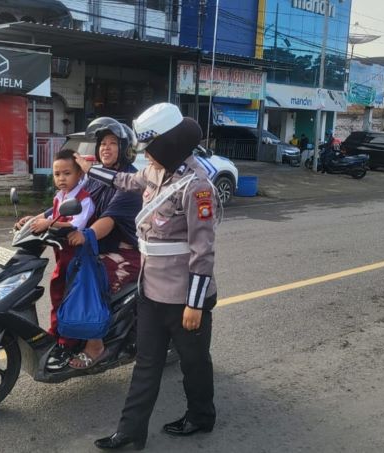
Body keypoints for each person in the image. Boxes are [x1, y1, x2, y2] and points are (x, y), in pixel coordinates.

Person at [75, 103, 218, 450]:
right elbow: (126, 180)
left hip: (185, 298)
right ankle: (130, 433)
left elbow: (203, 251)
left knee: (194, 361)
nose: (146, 157)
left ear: (166, 145)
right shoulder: (155, 171)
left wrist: (195, 305)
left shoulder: (197, 187)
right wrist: (90, 170)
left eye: (150, 149)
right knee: (146, 363)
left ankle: (202, 415)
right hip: (151, 289)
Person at [65, 117, 143, 369]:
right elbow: (71, 201)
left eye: (112, 143)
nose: (105, 148)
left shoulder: (129, 182)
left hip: (125, 254)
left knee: (89, 275)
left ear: (125, 148)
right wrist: (39, 220)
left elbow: (108, 221)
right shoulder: (97, 177)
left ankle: (95, 345)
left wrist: (85, 235)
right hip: (99, 247)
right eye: (102, 143)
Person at [18, 148, 96, 370]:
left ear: (79, 174)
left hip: (79, 259)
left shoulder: (83, 199)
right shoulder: (60, 197)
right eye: (57, 174)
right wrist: (30, 221)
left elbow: (75, 225)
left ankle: (67, 343)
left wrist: (48, 224)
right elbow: (53, 215)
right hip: (63, 256)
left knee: (69, 299)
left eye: (67, 173)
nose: (61, 178)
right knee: (56, 293)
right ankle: (55, 333)